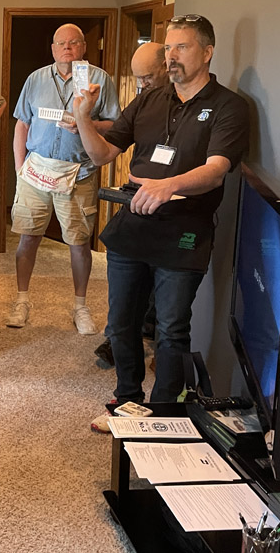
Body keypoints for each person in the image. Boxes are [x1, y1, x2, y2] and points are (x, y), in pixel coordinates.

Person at [71, 15, 249, 431]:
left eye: (182, 47)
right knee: (121, 322)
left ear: (207, 52)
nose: (171, 57)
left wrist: (168, 186)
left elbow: (217, 169)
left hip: (184, 232)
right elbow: (102, 155)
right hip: (133, 227)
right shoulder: (150, 100)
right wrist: (82, 116)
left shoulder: (228, 107)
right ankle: (128, 401)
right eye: (168, 48)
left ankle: (165, 411)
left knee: (171, 328)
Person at [7, 23, 120, 333]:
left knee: (79, 242)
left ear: (83, 47)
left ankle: (80, 306)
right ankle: (21, 300)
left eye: (73, 43)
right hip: (35, 171)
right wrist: (20, 170)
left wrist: (89, 123)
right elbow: (21, 125)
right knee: (27, 238)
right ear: (53, 49)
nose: (67, 48)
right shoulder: (35, 79)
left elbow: (116, 125)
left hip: (79, 172)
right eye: (61, 43)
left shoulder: (99, 80)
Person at [94, 42, 169, 366]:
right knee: (127, 279)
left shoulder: (199, 107)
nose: (141, 85)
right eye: (138, 79)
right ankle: (118, 337)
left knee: (164, 287)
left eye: (147, 77)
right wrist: (84, 121)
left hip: (177, 213)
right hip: (137, 203)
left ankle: (153, 336)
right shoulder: (142, 103)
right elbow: (108, 149)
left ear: (167, 66)